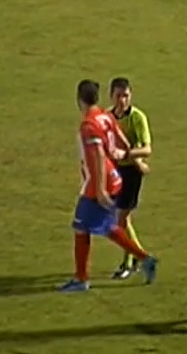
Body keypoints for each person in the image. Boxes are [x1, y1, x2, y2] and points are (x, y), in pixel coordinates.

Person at [60, 79, 158, 292]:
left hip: (97, 182)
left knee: (81, 226)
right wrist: (125, 153)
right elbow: (120, 137)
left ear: (79, 100)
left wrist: (101, 189)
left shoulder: (89, 125)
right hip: (110, 177)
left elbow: (96, 156)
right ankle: (145, 259)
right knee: (107, 226)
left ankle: (81, 279)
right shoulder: (105, 116)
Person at [107, 77, 153, 280]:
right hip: (114, 172)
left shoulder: (137, 118)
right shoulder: (107, 118)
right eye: (118, 96)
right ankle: (137, 258)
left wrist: (127, 156)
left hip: (131, 173)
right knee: (122, 219)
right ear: (111, 96)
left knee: (121, 219)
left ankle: (132, 260)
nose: (122, 100)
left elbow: (147, 149)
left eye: (125, 95)